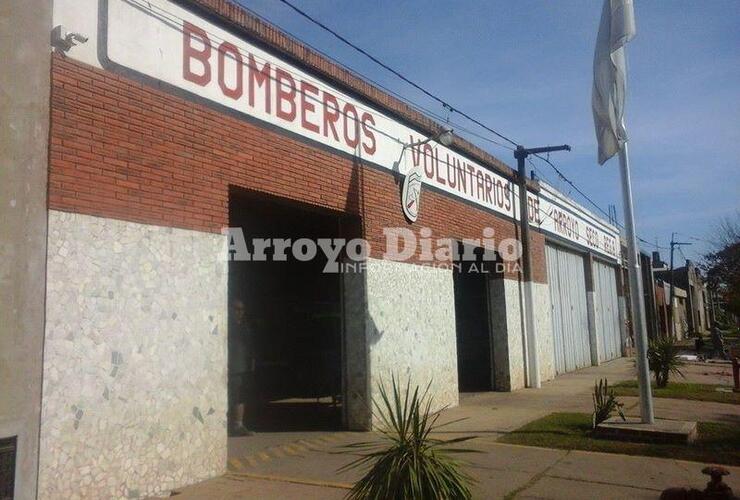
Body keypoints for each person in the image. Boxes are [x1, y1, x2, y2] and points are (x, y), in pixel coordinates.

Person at [228, 298, 255, 436]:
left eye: (242, 309)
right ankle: (231, 425)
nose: (239, 312)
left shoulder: (244, 327)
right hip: (231, 367)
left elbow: (249, 347)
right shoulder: (227, 326)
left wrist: (251, 363)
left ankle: (238, 425)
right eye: (236, 309)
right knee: (232, 396)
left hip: (242, 367)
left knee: (240, 396)